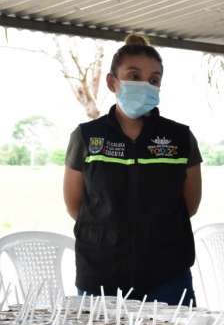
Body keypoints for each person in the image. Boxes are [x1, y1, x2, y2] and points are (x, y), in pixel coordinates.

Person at [63, 34, 202, 305]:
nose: (145, 85)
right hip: (100, 274)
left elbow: (191, 204)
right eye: (134, 76)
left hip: (168, 275)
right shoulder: (86, 136)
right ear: (112, 82)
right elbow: (74, 205)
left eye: (154, 80)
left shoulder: (180, 137)